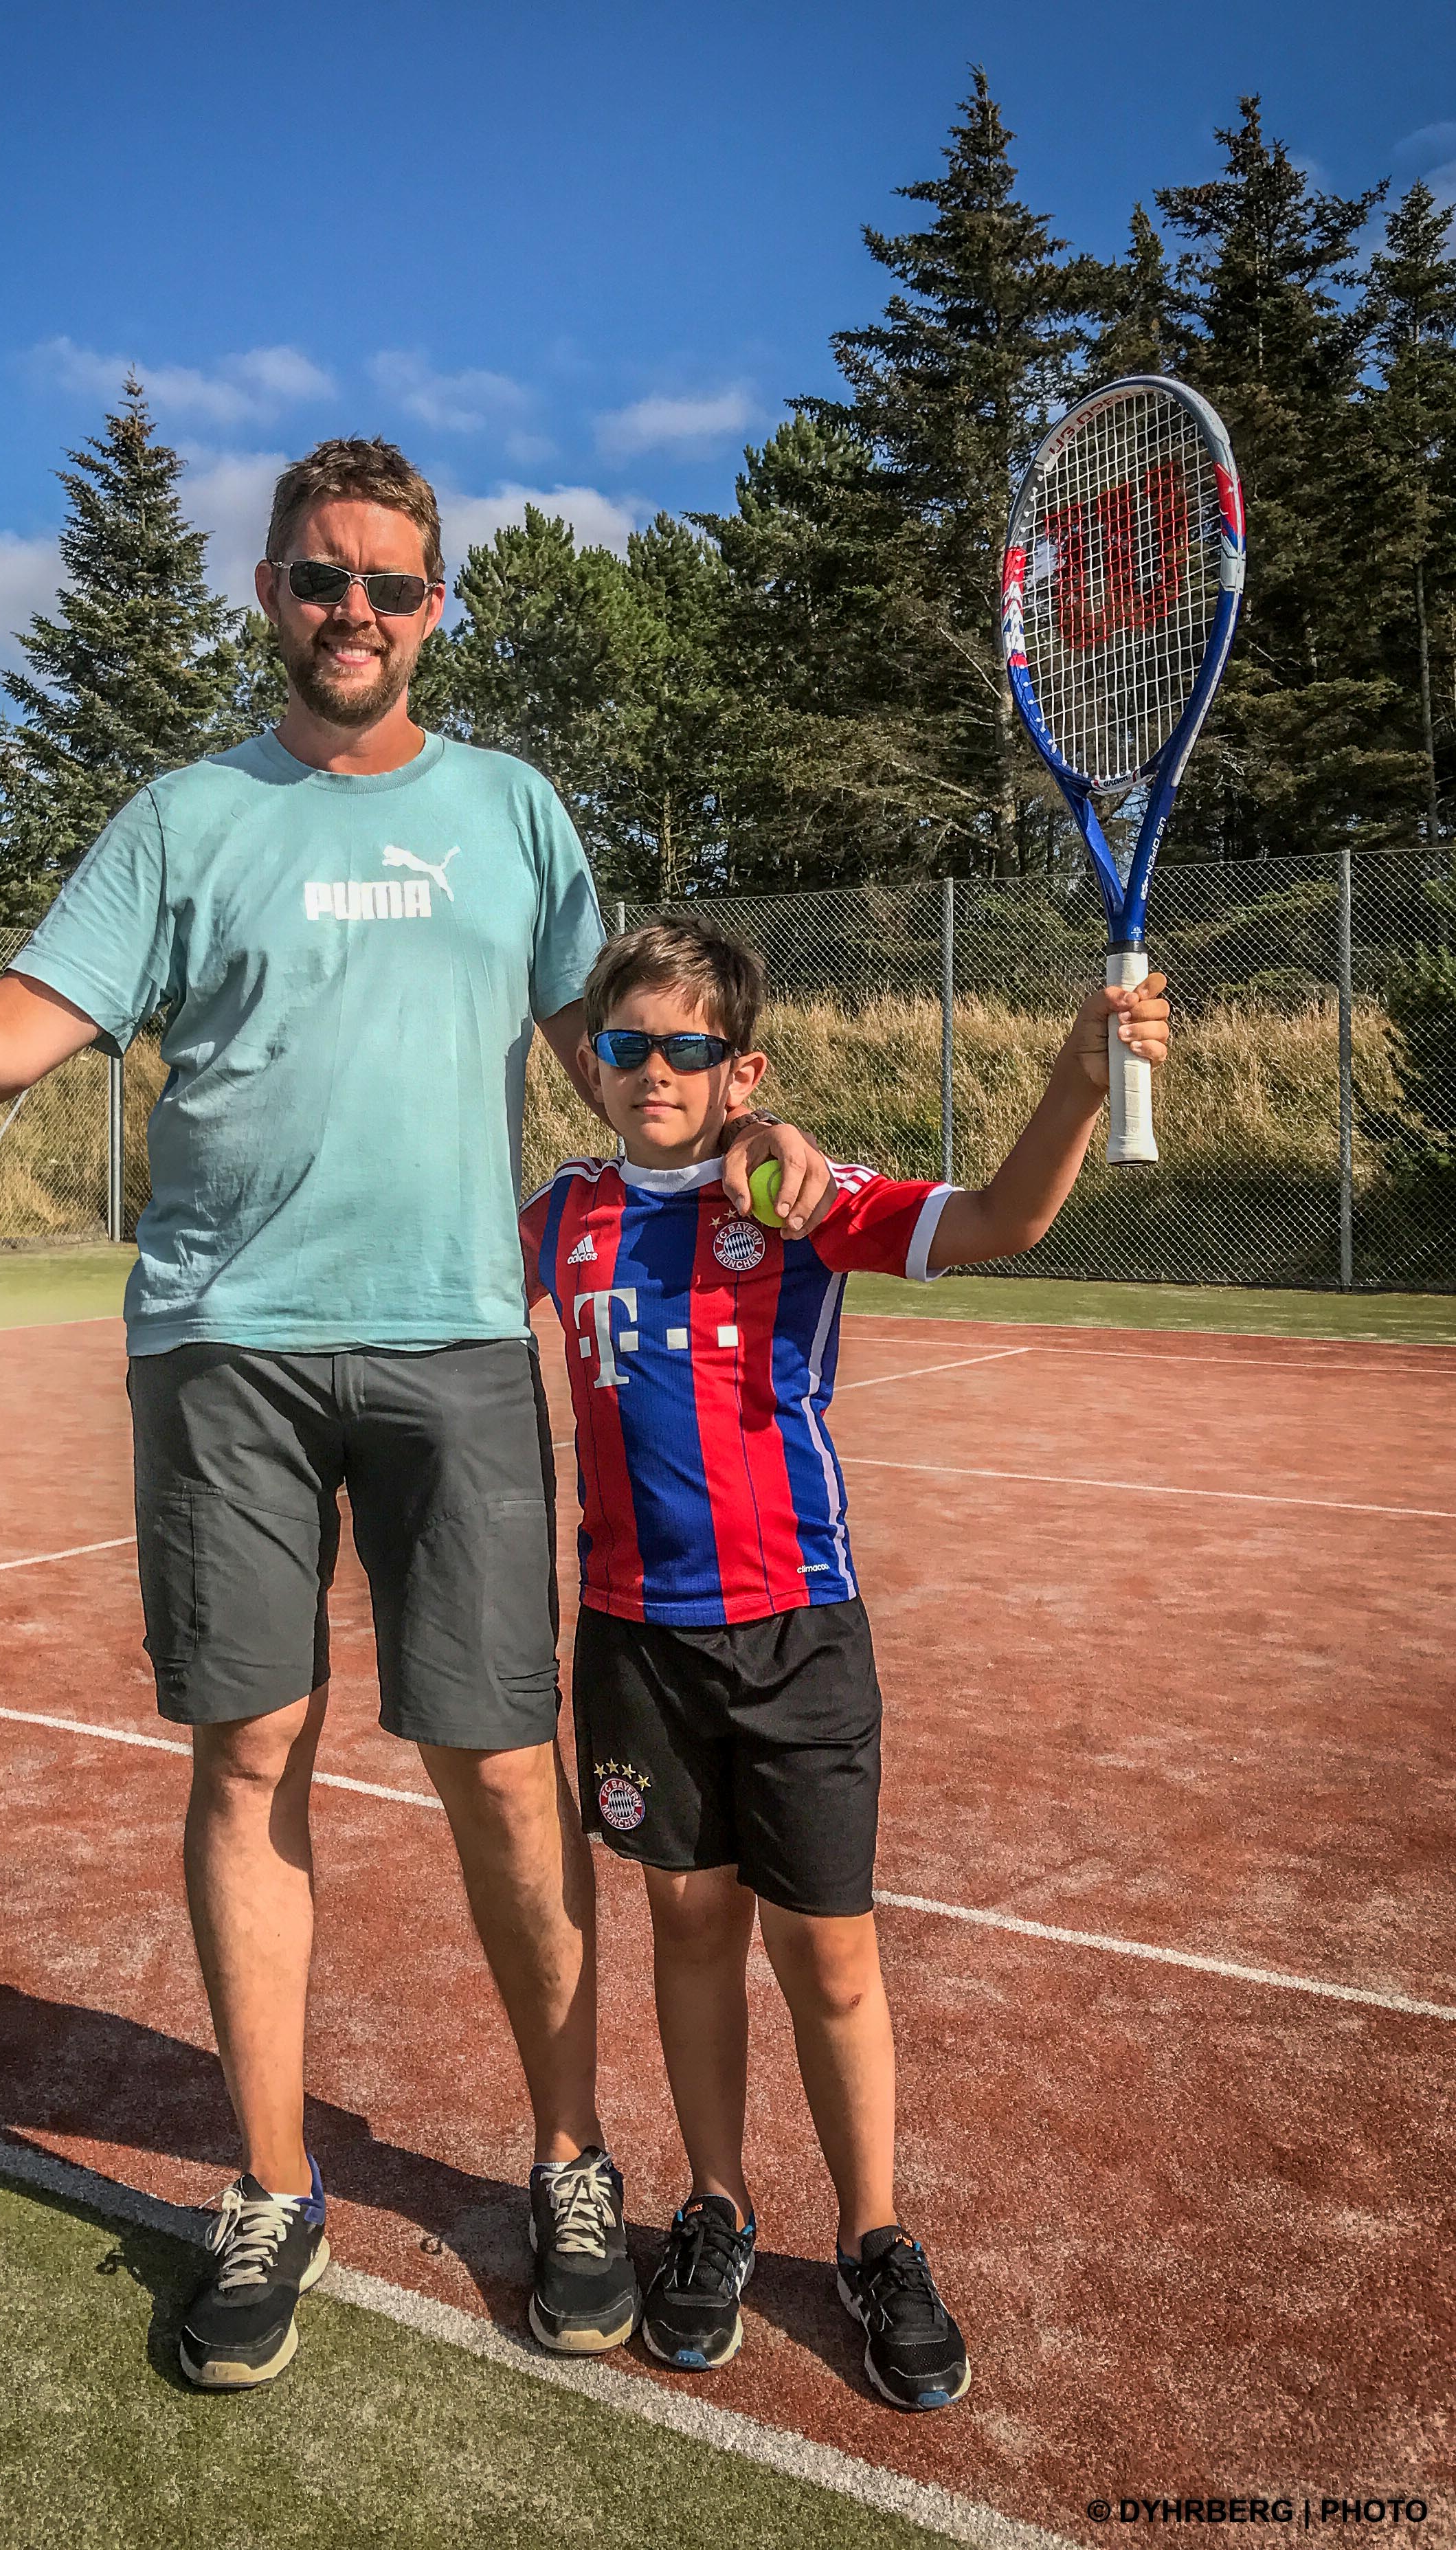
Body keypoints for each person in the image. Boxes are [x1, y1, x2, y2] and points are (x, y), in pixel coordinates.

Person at [0, 440, 827, 2391]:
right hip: (222, 1351)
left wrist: (755, 1124)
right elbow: (3, 1043)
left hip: (456, 1347)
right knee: (248, 1760)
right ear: (270, 591)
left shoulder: (513, 811)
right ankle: (273, 2185)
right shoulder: (181, 819)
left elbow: (623, 1061)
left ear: (435, 609)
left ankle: (570, 2161)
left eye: (389, 585)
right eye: (322, 578)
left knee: (507, 1771)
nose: (353, 612)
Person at [520, 917, 1171, 2410]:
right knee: (691, 1926)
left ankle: (874, 2233)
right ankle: (717, 2203)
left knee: (827, 1950)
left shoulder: (795, 1194)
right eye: (628, 1047)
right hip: (631, 1637)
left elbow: (1003, 1216)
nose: (656, 1072)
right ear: (594, 1064)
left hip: (799, 1630)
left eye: (690, 1048)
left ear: (741, 1071)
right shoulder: (559, 1215)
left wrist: (1078, 1079)